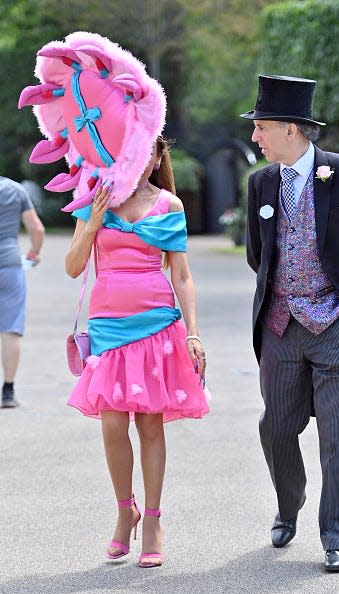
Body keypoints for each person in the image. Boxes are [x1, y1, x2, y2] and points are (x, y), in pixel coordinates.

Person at [19, 32, 209, 569]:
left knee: (150, 423)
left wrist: (193, 332)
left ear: (153, 154)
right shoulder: (92, 199)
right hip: (108, 325)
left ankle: (152, 521)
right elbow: (74, 265)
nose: (141, 159)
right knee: (111, 423)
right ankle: (122, 511)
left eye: (150, 153)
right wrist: (94, 219)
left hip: (157, 324)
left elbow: (184, 275)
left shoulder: (168, 204)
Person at [240, 75, 339, 572]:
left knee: (337, 437)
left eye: (261, 127)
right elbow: (257, 255)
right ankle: (290, 505)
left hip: (337, 325)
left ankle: (337, 537)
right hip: (280, 326)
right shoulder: (260, 182)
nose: (256, 137)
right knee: (276, 429)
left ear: (290, 129)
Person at [0, 176, 45, 408]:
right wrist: (33, 252)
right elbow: (36, 228)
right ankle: (8, 391)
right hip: (8, 266)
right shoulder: (15, 190)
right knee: (10, 329)